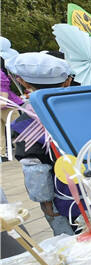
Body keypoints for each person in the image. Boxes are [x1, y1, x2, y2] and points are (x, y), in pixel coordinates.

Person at [6, 52, 79, 235]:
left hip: (64, 194)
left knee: (71, 240)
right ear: (67, 81)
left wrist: (45, 200)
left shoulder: (26, 120)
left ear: (22, 82)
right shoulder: (79, 105)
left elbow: (34, 168)